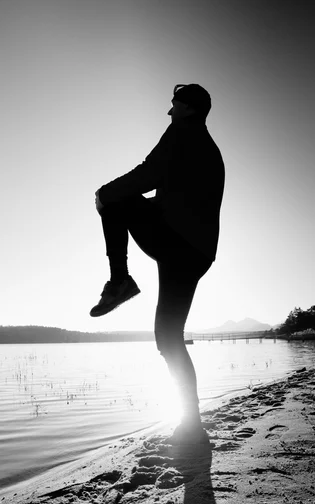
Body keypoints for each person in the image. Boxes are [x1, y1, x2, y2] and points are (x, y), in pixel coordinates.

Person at [91, 83, 225, 444]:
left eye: (174, 105)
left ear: (188, 108)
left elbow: (150, 172)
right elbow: (181, 192)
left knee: (113, 198)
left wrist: (105, 194)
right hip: (195, 252)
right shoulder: (207, 148)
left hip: (178, 242)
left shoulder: (184, 132)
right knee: (169, 337)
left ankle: (119, 279)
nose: (169, 112)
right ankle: (191, 423)